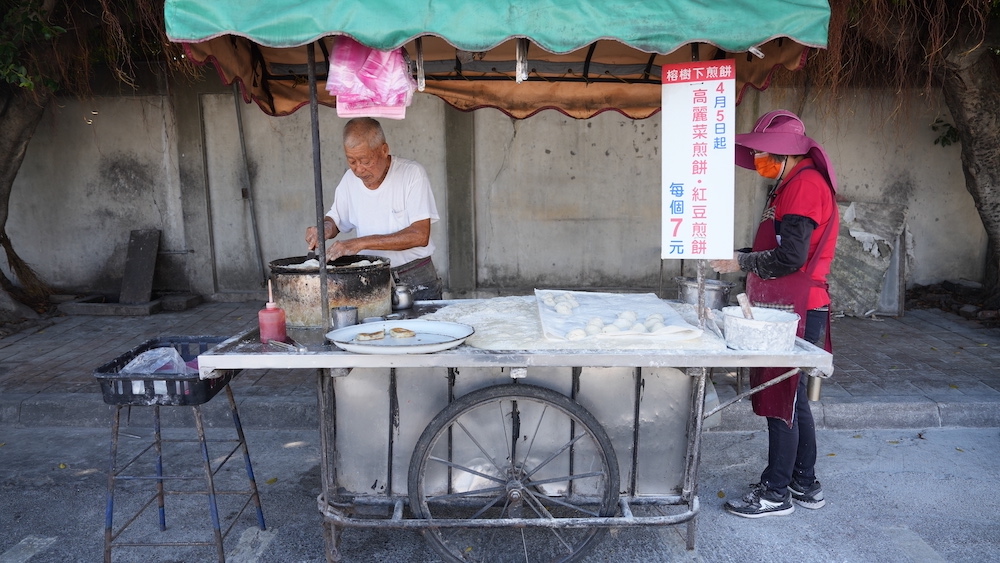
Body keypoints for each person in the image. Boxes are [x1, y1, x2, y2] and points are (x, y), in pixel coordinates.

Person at [709, 109, 839, 518]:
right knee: (795, 399)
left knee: (782, 398)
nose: (760, 161)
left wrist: (742, 263)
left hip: (794, 306)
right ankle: (804, 484)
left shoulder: (803, 187)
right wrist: (740, 258)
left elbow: (791, 256)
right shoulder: (793, 184)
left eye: (766, 153)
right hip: (793, 303)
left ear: (785, 154)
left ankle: (775, 492)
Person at [305, 117, 443, 300]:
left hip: (415, 278)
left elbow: (420, 235)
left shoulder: (411, 174)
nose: (359, 169)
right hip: (372, 279)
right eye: (352, 161)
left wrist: (359, 243)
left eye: (365, 160)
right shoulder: (349, 180)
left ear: (384, 150)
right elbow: (336, 220)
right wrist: (324, 229)